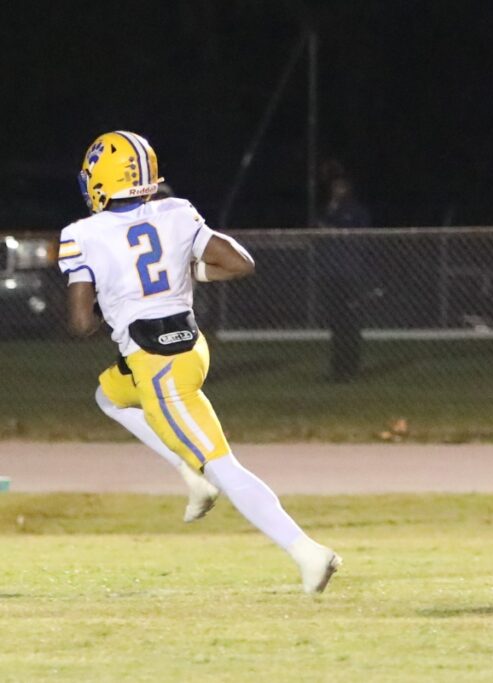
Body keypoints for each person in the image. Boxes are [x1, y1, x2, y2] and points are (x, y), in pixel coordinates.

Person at [61, 131, 340, 593]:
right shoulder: (176, 211)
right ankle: (192, 476)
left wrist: (109, 296)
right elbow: (240, 263)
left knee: (223, 465)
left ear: (101, 180)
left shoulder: (81, 235)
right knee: (109, 395)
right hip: (191, 348)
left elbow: (79, 322)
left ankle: (308, 551)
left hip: (157, 365)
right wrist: (184, 272)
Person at [316, 163, 373, 382]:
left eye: (341, 187)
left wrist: (333, 229)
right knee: (336, 323)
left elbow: (357, 235)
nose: (337, 191)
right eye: (334, 187)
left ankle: (351, 367)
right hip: (331, 274)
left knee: (351, 322)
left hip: (350, 274)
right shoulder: (329, 210)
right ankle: (337, 369)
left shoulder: (356, 211)